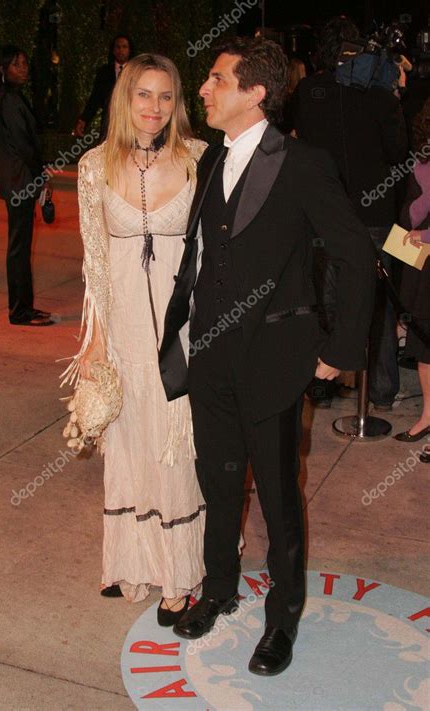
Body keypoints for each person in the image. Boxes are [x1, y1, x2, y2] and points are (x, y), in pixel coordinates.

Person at [159, 37, 375, 674]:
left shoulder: (302, 163)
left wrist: (337, 350)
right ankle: (220, 590)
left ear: (255, 93)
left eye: (216, 80)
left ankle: (282, 620)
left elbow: (355, 255)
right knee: (218, 484)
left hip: (275, 361)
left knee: (280, 500)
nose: (203, 90)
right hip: (211, 359)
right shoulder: (209, 162)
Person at [65, 54, 207, 626]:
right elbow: (94, 260)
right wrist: (95, 343)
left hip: (186, 327)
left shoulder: (200, 158)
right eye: (143, 95)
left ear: (179, 104)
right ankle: (131, 562)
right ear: (124, 100)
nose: (154, 108)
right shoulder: (93, 166)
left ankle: (180, 571)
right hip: (122, 323)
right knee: (127, 441)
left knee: (177, 444)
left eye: (166, 96)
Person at [292, 16, 408, 409]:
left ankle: (321, 386)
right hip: (377, 215)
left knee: (324, 302)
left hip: (326, 214)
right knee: (378, 303)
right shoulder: (380, 97)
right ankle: (381, 391)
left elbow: (303, 149)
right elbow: (399, 156)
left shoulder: (309, 92)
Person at [0, 45, 54, 326]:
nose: (24, 68)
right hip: (20, 183)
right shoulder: (8, 100)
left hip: (20, 181)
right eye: (17, 64)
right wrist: (40, 175)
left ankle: (23, 307)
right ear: (3, 69)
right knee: (19, 248)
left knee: (21, 246)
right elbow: (23, 144)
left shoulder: (14, 97)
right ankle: (19, 311)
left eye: (25, 64)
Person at [394, 98, 430, 460]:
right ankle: (428, 416)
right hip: (423, 269)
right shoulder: (420, 166)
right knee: (424, 345)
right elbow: (408, 217)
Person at [72, 34, 132, 141]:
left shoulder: (136, 72)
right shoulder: (104, 72)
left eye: (124, 47)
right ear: (113, 50)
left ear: (129, 50)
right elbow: (95, 99)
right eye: (118, 47)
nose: (121, 50)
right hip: (109, 124)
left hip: (132, 123)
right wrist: (83, 120)